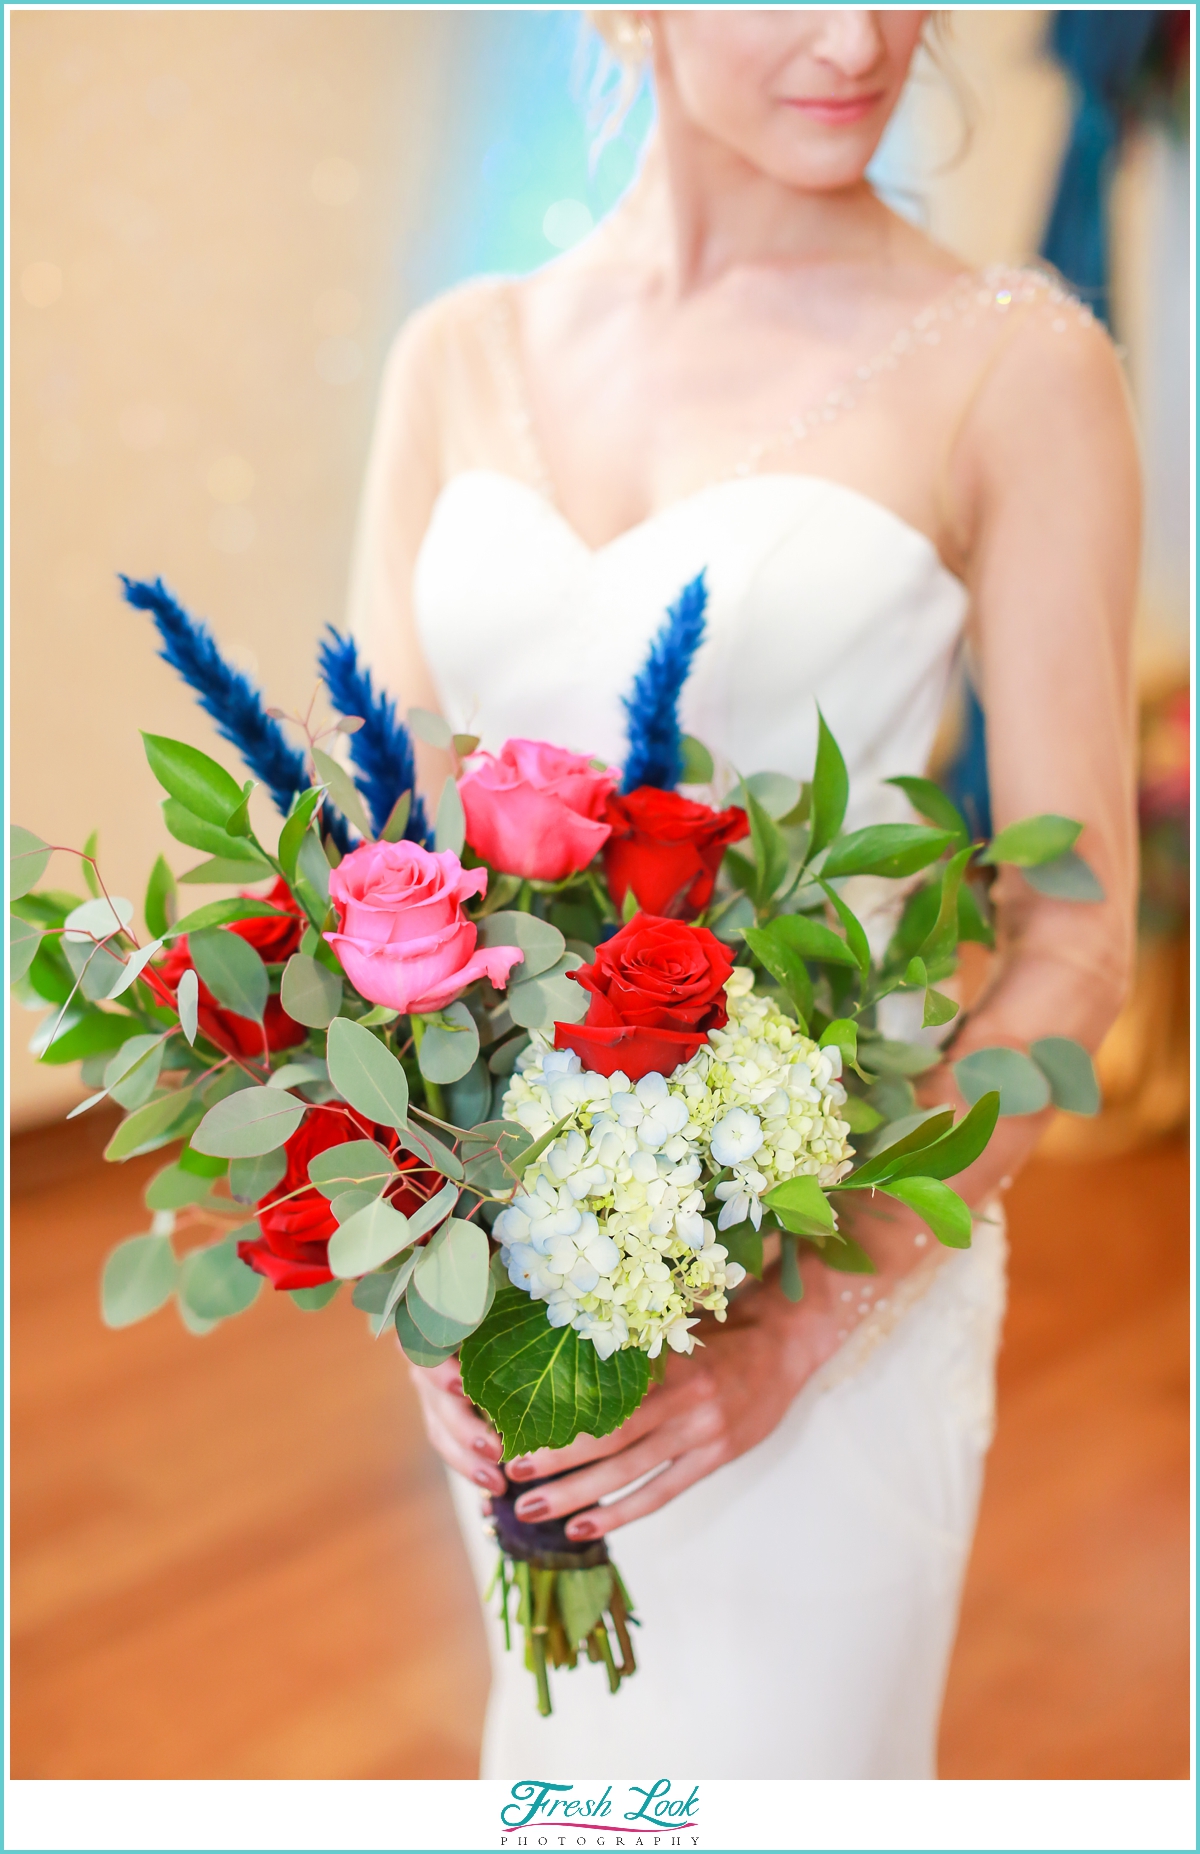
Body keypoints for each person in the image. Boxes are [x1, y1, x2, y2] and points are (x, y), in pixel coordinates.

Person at [348, 10, 1138, 1777]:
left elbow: (1075, 934)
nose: (862, 37)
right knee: (567, 1790)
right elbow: (379, 873)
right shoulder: (455, 354)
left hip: (833, 1265)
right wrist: (428, 1267)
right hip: (524, 1285)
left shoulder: (1016, 360)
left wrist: (803, 1321)